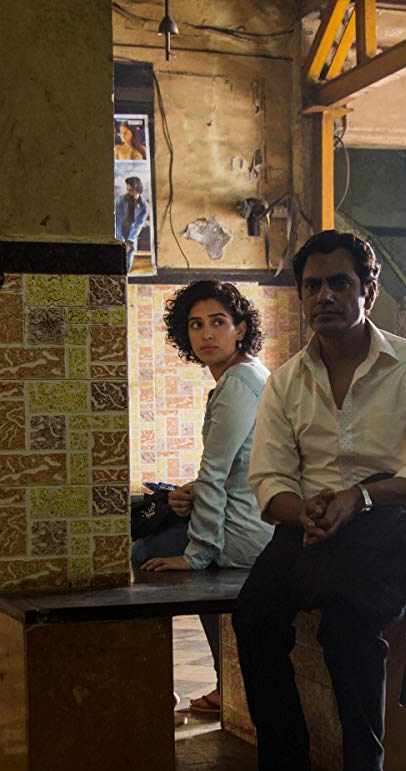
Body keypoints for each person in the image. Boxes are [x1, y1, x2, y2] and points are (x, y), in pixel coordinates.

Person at [234, 229, 406, 771]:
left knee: (349, 623)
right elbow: (269, 478)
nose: (324, 296)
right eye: (312, 285)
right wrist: (300, 507)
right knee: (253, 617)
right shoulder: (284, 382)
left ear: (368, 290)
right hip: (309, 528)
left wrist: (358, 498)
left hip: (390, 525)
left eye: (339, 283)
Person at [134, 281, 275, 715]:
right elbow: (233, 469)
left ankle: (157, 687)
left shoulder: (236, 385)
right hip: (257, 519)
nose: (207, 334)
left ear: (241, 328)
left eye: (218, 323)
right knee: (170, 546)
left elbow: (216, 473)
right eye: (196, 325)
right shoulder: (252, 375)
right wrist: (188, 496)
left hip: (247, 532)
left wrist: (196, 555)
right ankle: (227, 681)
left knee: (145, 553)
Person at [114, 176, 148, 248]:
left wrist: (129, 242)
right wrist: (121, 241)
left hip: (132, 234)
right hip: (119, 232)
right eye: (127, 189)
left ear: (137, 190)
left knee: (129, 257)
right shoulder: (120, 200)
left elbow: (138, 225)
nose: (127, 192)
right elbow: (117, 221)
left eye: (131, 190)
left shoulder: (144, 206)